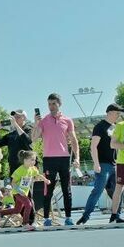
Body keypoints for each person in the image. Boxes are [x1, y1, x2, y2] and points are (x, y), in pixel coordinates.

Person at [33, 93, 79, 226]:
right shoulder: (43, 121)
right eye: (49, 104)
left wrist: (77, 158)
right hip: (49, 159)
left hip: (64, 159)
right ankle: (47, 218)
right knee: (48, 189)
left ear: (59, 104)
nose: (51, 106)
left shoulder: (67, 120)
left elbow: (74, 140)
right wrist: (36, 123)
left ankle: (68, 218)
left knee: (67, 189)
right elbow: (34, 138)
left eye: (53, 103)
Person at [76, 104, 123, 226]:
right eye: (117, 113)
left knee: (117, 191)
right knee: (98, 190)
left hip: (114, 164)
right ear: (110, 112)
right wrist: (96, 164)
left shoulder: (116, 127)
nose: (119, 115)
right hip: (103, 164)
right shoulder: (100, 126)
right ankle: (85, 216)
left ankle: (117, 216)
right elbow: (93, 146)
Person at [0, 110, 33, 178]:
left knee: (25, 188)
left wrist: (15, 124)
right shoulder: (11, 133)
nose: (15, 119)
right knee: (13, 188)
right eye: (14, 117)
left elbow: (28, 140)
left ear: (24, 118)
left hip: (26, 165)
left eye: (18, 117)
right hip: (13, 166)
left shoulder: (28, 129)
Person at [10, 150, 43, 229]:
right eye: (32, 160)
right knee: (28, 205)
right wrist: (19, 190)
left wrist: (45, 180)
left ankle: (0, 213)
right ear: (25, 160)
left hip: (25, 192)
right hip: (17, 192)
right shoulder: (19, 170)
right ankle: (25, 223)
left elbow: (38, 175)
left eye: (35, 160)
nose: (34, 162)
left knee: (17, 210)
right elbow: (13, 183)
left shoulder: (32, 169)